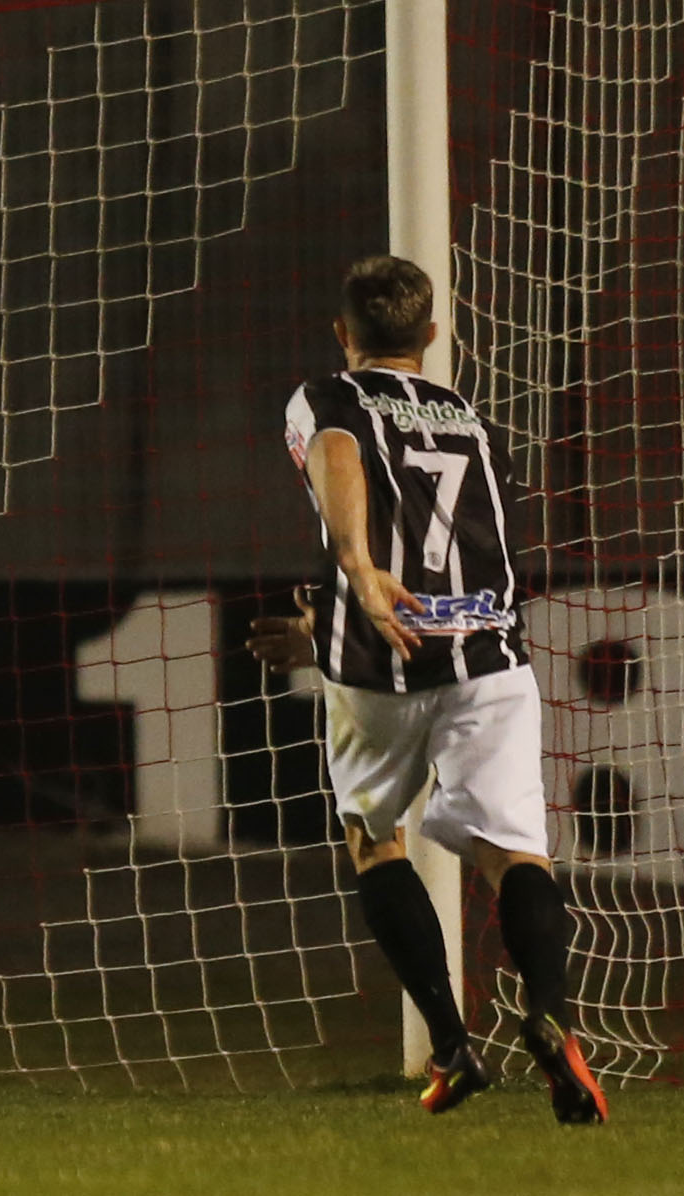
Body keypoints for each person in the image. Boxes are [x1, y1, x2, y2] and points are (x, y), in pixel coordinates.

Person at [249, 255, 605, 1124]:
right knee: (515, 853)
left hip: (382, 659)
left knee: (374, 838)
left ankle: (451, 1046)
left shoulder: (322, 396)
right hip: (488, 653)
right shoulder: (471, 420)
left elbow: (337, 454)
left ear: (344, 337)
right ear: (432, 336)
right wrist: (326, 621)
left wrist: (359, 576)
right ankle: (553, 1014)